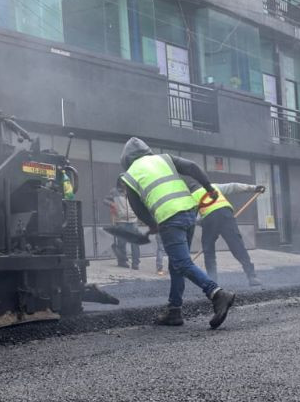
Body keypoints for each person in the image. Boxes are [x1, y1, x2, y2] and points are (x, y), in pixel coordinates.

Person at [120, 137, 235, 328]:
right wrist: (209, 188)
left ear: (126, 159)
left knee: (182, 263)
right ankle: (174, 311)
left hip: (169, 217)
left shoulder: (130, 174)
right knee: (177, 264)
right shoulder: (164, 158)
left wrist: (151, 224)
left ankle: (217, 294)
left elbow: (137, 207)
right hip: (189, 211)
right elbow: (192, 167)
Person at [192, 182, 265, 286]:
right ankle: (252, 276)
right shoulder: (213, 186)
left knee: (208, 251)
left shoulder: (192, 197)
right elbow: (233, 186)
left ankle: (212, 282)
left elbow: (194, 218)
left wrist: (201, 222)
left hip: (209, 219)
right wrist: (254, 188)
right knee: (238, 246)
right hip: (226, 215)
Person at [104, 182, 141, 269]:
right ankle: (122, 262)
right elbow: (105, 200)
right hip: (121, 220)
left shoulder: (133, 191)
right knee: (121, 243)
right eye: (122, 181)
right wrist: (112, 204)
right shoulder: (114, 191)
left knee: (135, 243)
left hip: (133, 220)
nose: (124, 183)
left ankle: (135, 263)